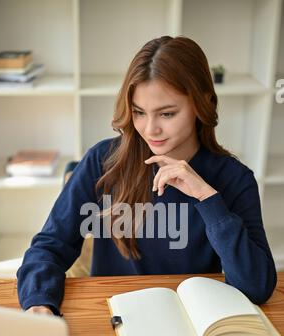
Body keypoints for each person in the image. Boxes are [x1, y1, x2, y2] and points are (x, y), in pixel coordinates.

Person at [17, 36, 277, 317]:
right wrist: (38, 301)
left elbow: (257, 287)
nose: (150, 129)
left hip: (190, 330)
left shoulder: (233, 179)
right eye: (139, 112)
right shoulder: (103, 162)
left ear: (203, 103)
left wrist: (207, 198)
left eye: (167, 113)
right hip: (111, 318)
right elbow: (49, 246)